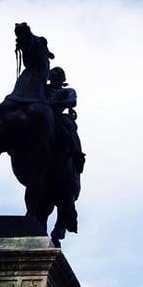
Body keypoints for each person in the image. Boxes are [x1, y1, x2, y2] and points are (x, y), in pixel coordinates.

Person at [45, 67, 85, 239]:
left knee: (67, 129)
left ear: (62, 79)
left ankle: (76, 156)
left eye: (57, 75)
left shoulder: (67, 91)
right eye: (52, 74)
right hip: (41, 118)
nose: (53, 77)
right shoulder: (41, 88)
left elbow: (72, 102)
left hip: (58, 117)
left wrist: (54, 105)